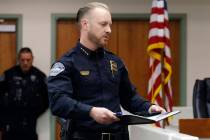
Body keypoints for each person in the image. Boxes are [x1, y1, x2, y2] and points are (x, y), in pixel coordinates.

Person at [48, 2, 165, 140]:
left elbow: (129, 97)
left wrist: (149, 107)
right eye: (103, 24)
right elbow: (58, 102)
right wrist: (91, 112)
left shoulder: (115, 62)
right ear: (85, 25)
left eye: (110, 25)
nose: (109, 30)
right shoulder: (66, 63)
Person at [0, 47, 49, 140]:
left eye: (28, 60)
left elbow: (47, 100)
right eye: (22, 60)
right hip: (9, 126)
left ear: (32, 59)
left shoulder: (40, 77)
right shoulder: (8, 75)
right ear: (18, 60)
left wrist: (34, 112)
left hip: (29, 126)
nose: (25, 63)